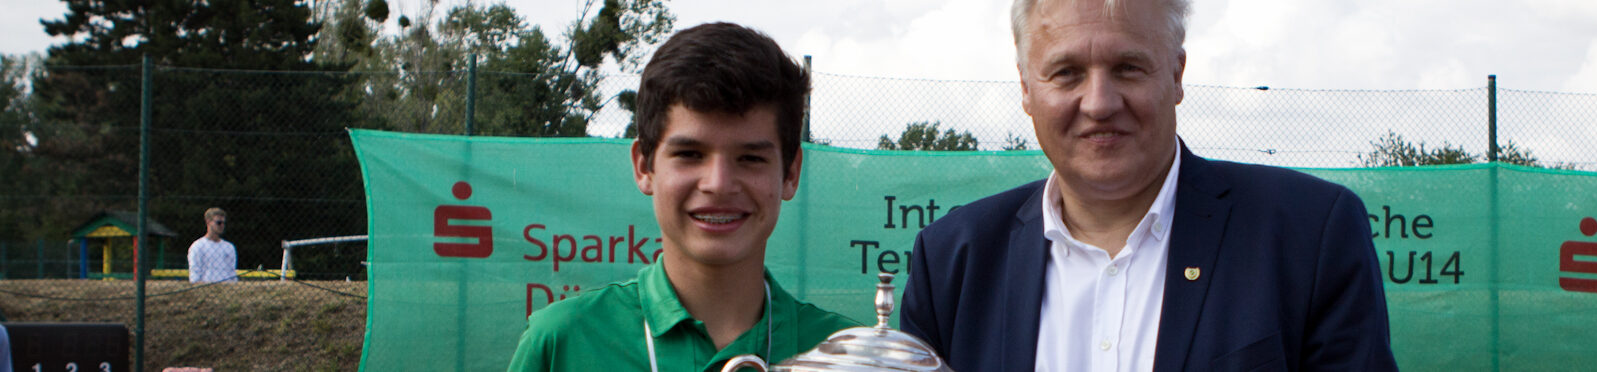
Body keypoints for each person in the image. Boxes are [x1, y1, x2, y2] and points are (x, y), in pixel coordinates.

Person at [896, 0, 1399, 370]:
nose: (1099, 102)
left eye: (1128, 68)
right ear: (1027, 88)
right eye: (1067, 73)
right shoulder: (952, 262)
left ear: (1177, 75)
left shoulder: (1310, 234)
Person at [507, 22, 860, 372]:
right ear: (644, 166)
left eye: (751, 158)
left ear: (791, 173)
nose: (719, 184)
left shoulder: (850, 356)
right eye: (690, 154)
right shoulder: (561, 343)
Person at [187, 207, 237, 283]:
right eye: (219, 223)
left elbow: (232, 272)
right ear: (208, 222)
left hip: (226, 288)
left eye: (224, 223)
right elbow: (195, 273)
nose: (222, 225)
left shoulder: (229, 247)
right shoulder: (198, 246)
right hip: (206, 287)